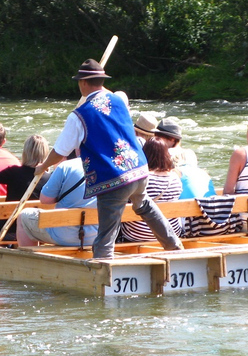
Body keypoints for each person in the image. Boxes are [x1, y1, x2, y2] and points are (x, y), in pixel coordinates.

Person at [35, 59, 183, 259]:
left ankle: (104, 270)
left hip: (113, 177)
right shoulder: (119, 101)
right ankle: (174, 247)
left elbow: (60, 151)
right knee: (144, 206)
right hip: (139, 170)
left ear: (83, 83)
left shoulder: (79, 115)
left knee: (106, 232)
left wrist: (43, 166)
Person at [16, 152, 98, 248]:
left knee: (23, 216)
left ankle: (28, 260)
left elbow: (45, 200)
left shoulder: (66, 166)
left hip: (63, 235)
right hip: (98, 235)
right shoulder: (110, 167)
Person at [0, 134, 51, 240]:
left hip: (10, 228)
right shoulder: (49, 178)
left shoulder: (14, 172)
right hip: (35, 230)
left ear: (25, 152)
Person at [120, 137, 183, 242]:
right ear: (166, 155)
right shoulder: (175, 178)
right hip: (171, 234)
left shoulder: (138, 178)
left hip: (137, 235)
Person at [154, 117, 215, 199]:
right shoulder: (190, 153)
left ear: (172, 139)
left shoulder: (166, 153)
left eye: (159, 137)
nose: (156, 140)